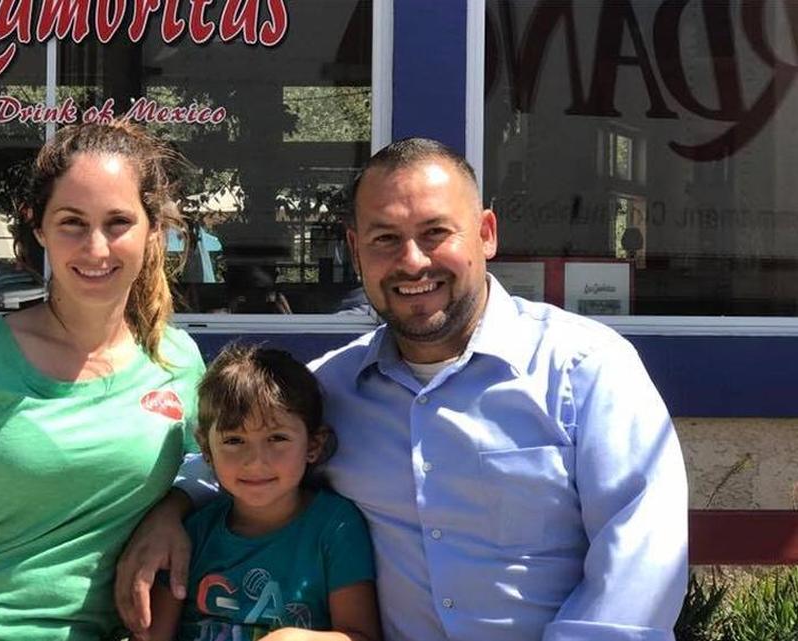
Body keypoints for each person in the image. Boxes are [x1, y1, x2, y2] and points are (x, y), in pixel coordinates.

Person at [116, 137, 688, 641]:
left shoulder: (585, 370)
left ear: (486, 234)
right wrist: (171, 510)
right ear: (355, 249)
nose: (412, 262)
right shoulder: (333, 388)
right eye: (385, 238)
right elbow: (242, 447)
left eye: (435, 232)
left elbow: (640, 561)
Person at [0, 121, 206, 641]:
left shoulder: (177, 362)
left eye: (118, 222)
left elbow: (217, 473)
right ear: (39, 227)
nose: (96, 248)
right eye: (72, 223)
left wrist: (171, 511)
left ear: (152, 229)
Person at [148, 345, 380, 641]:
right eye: (234, 441)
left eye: (277, 438)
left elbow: (361, 634)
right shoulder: (192, 533)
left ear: (313, 445)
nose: (256, 461)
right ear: (206, 450)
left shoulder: (336, 527)